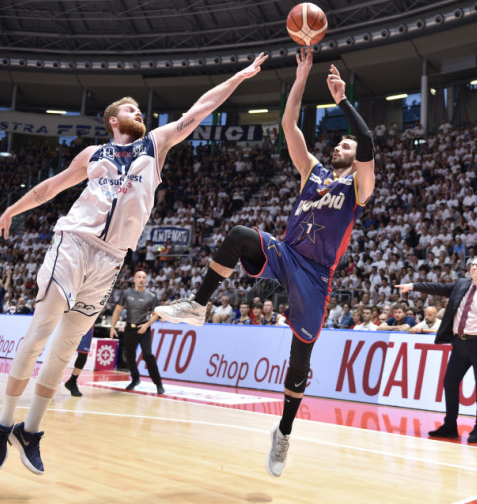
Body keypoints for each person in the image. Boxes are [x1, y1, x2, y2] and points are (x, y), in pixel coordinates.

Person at [0, 53, 267, 476]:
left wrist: (239, 78)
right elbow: (50, 188)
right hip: (74, 242)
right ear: (113, 120)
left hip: (112, 260)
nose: (139, 112)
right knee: (43, 327)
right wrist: (12, 210)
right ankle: (4, 421)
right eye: (131, 109)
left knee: (65, 350)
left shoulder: (156, 143)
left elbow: (200, 109)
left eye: (139, 109)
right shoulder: (93, 153)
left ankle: (31, 430)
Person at [153, 47, 375, 477]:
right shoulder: (313, 172)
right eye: (339, 142)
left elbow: (366, 142)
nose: (340, 146)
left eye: (344, 143)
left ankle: (284, 433)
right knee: (238, 235)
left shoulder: (359, 188)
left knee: (300, 361)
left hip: (316, 274)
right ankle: (198, 305)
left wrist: (342, 100)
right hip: (286, 253)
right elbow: (289, 125)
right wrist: (302, 74)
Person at [396, 256, 477, 444]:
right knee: (450, 383)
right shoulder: (461, 284)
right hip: (460, 343)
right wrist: (413, 285)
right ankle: (450, 426)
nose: (474, 267)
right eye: (473, 264)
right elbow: (437, 288)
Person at [109, 270, 165, 394]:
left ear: (146, 280)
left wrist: (146, 325)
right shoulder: (126, 293)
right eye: (139, 277)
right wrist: (112, 327)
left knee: (148, 355)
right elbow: (118, 310)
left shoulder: (151, 296)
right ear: (134, 279)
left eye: (144, 277)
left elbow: (155, 315)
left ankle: (158, 384)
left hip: (143, 329)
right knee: (129, 355)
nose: (141, 279)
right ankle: (135, 379)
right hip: (130, 328)